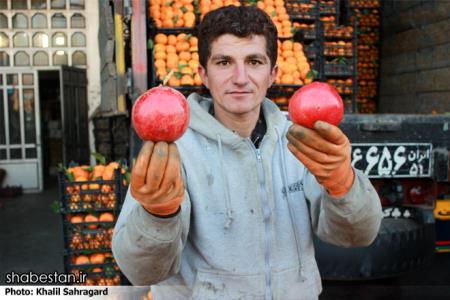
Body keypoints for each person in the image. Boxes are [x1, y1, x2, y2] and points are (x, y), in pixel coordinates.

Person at [112, 5, 382, 299]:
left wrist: (344, 186)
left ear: (273, 73)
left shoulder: (303, 142)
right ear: (203, 73)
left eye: (254, 62)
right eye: (224, 62)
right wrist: (158, 216)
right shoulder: (175, 149)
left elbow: (359, 234)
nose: (240, 78)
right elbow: (140, 270)